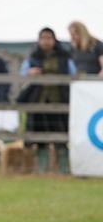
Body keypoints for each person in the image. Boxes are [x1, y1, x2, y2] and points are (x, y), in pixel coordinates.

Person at [18, 27, 75, 174]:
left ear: (54, 40)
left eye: (49, 38)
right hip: (39, 101)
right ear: (39, 40)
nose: (46, 41)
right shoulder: (33, 57)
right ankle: (43, 170)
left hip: (60, 100)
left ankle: (64, 170)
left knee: (62, 137)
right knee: (40, 138)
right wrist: (30, 72)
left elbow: (73, 74)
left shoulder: (64, 57)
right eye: (43, 38)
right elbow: (22, 74)